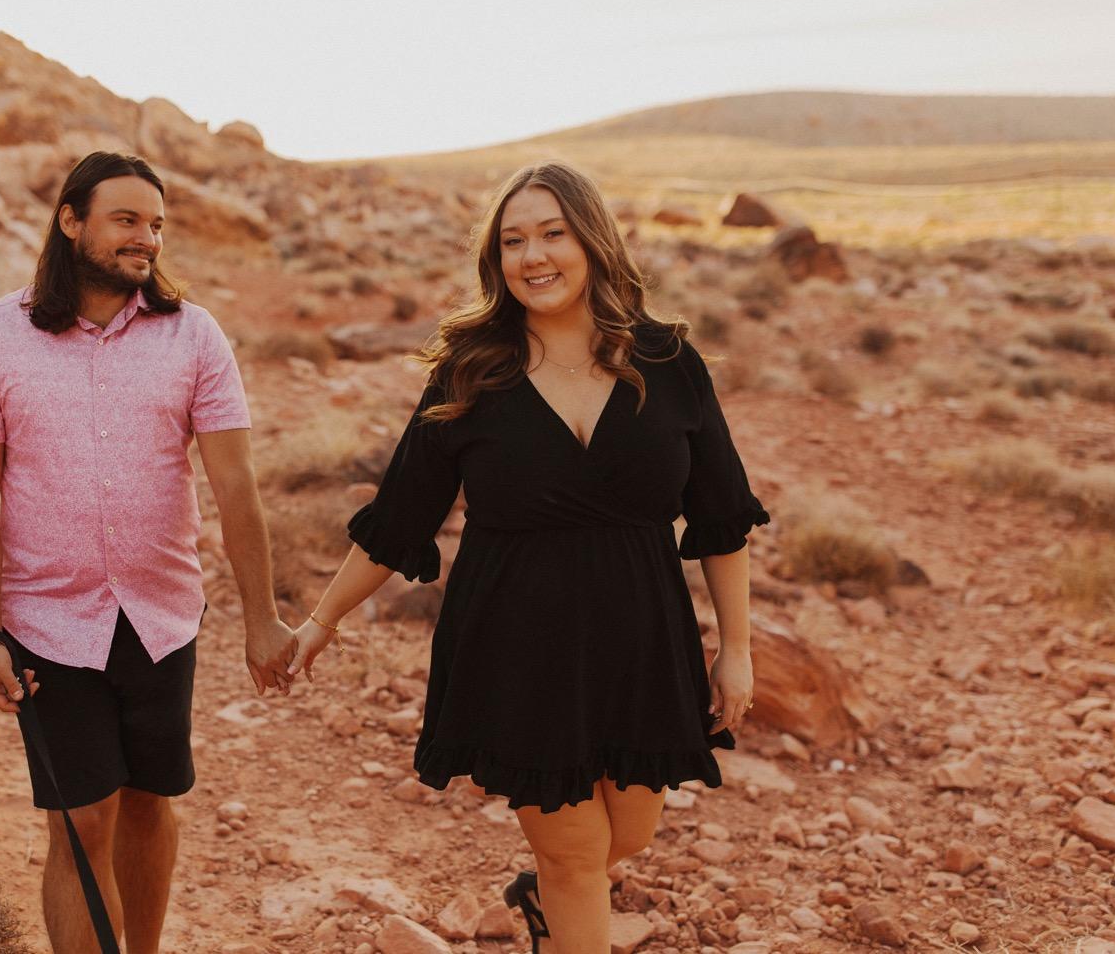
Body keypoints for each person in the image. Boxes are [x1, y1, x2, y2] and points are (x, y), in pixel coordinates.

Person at [289, 161, 769, 954]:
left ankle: (543, 900)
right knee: (576, 856)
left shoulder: (667, 362)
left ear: (591, 240)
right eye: (513, 241)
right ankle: (563, 904)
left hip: (642, 637)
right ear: (495, 259)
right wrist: (321, 621)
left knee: (630, 833)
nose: (533, 256)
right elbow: (401, 517)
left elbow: (721, 519)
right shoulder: (472, 369)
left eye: (552, 234)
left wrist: (738, 652)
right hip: (517, 638)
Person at [0, 151, 297, 954]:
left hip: (161, 618)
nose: (147, 238)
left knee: (147, 800)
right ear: (71, 221)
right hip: (46, 622)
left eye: (157, 224)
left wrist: (264, 619)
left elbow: (235, 485)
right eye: (127, 220)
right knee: (80, 821)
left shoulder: (194, 336)